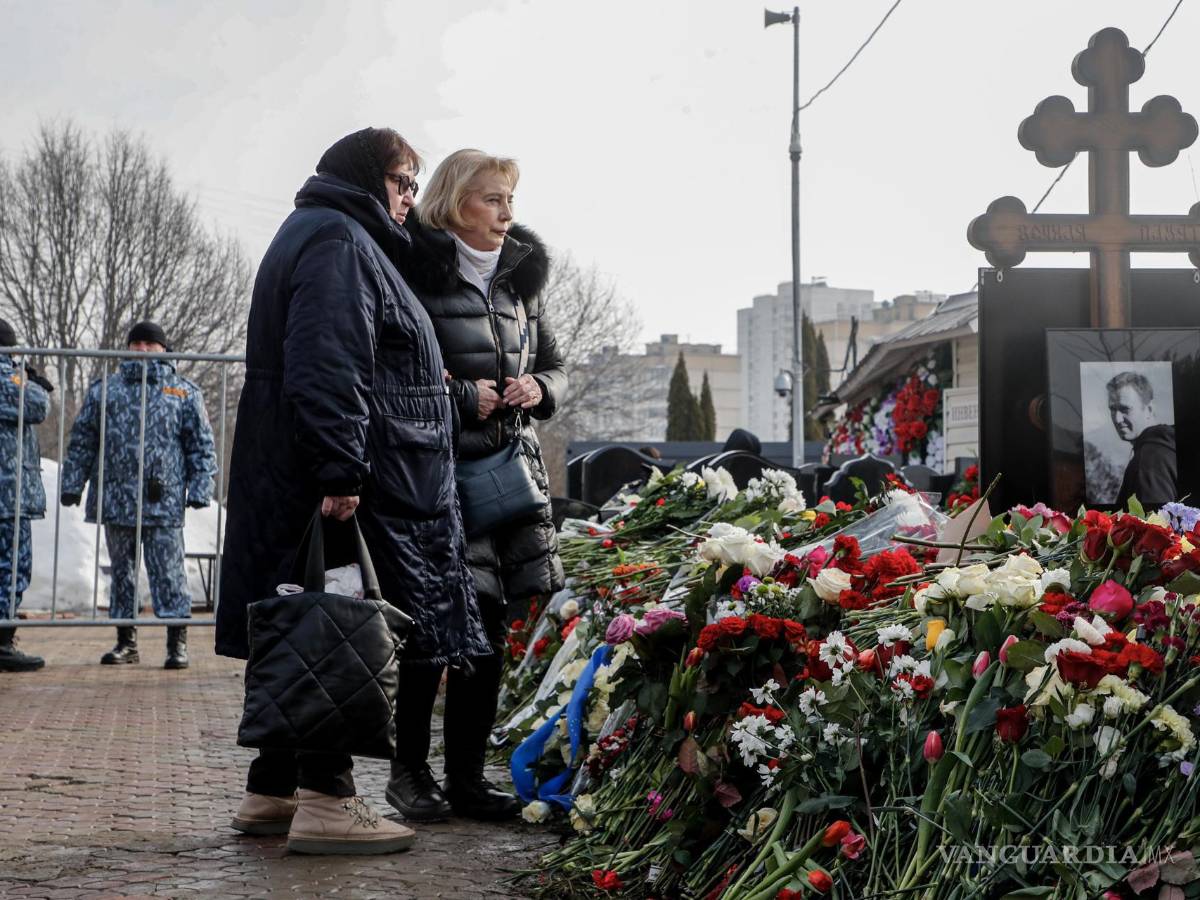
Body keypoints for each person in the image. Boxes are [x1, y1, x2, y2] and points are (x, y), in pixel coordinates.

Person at [215, 128, 490, 855]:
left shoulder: (326, 232)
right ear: (370, 180)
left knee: (310, 620)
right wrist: (341, 472)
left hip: (314, 473)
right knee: (335, 627)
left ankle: (271, 789)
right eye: (402, 183)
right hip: (334, 482)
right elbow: (329, 362)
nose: (408, 200)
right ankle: (329, 800)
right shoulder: (340, 240)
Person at [394, 149, 566, 822]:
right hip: (436, 477)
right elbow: (395, 375)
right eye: (492, 199)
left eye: (510, 200)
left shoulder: (518, 284)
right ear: (453, 201)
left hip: (507, 480)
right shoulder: (414, 273)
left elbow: (556, 370)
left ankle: (465, 779)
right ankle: (408, 775)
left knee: (489, 630)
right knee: (427, 633)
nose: (506, 213)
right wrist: (466, 397)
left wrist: (538, 387)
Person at [61, 322, 216, 669]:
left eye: (151, 343)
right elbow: (83, 438)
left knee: (169, 573)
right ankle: (125, 642)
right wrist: (73, 483)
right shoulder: (106, 390)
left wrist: (201, 487)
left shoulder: (183, 391)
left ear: (164, 349)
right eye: (137, 343)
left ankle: (177, 643)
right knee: (122, 574)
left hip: (163, 501)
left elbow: (201, 446)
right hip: (117, 499)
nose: (143, 349)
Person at [0, 320, 51, 673]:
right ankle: (1, 643)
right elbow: (38, 404)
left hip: (12, 493)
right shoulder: (9, 377)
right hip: (8, 495)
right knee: (11, 568)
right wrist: (24, 375)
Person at [1108, 370, 1177, 507]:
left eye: (1124, 409)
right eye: (1112, 409)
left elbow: (1154, 525)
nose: (1117, 419)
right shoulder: (1167, 447)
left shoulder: (1148, 460)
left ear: (1149, 409)